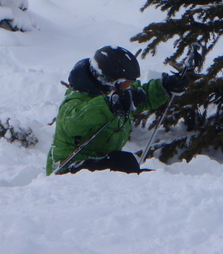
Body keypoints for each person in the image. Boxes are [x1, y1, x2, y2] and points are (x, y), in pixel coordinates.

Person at [46, 45, 188, 175]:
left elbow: (141, 95)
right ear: (107, 81)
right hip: (66, 169)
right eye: (126, 84)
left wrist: (165, 86)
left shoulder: (119, 94)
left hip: (100, 163)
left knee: (145, 174)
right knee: (124, 162)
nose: (128, 88)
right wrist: (110, 104)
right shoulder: (76, 100)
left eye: (130, 84)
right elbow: (74, 122)